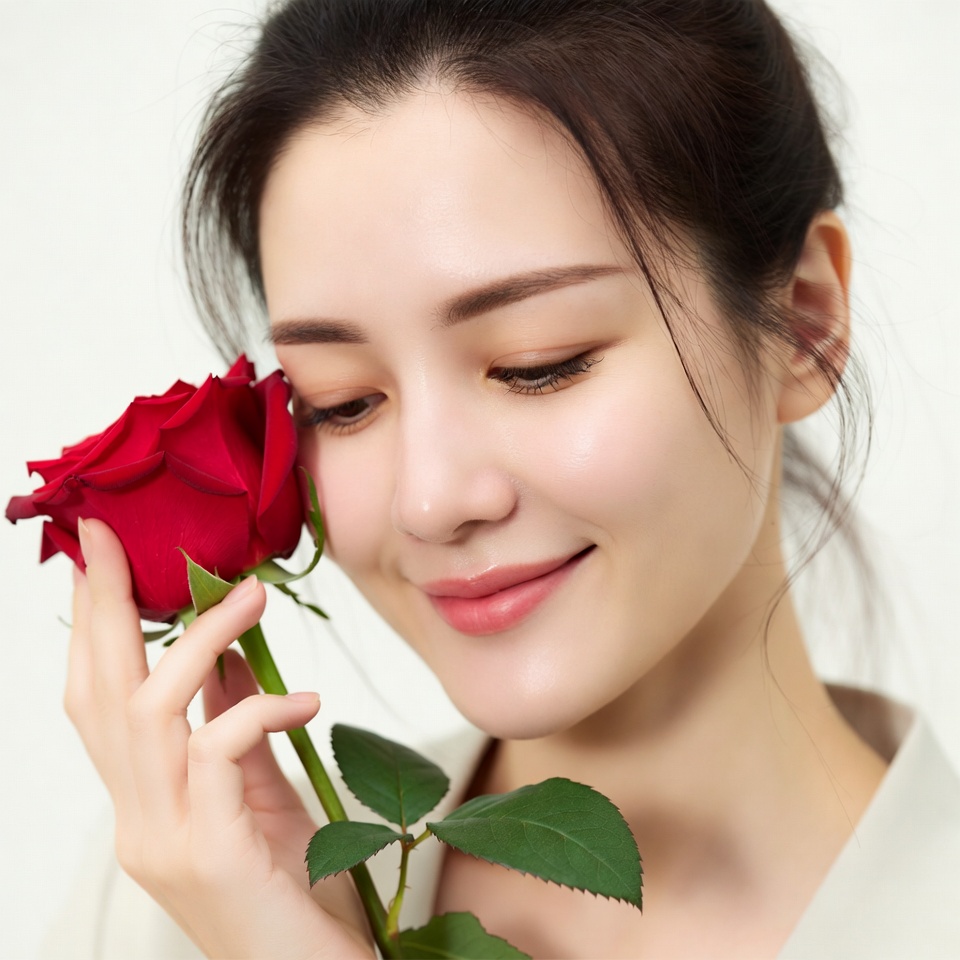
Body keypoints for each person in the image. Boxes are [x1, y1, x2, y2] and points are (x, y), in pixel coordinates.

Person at [48, 0, 960, 957]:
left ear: (804, 324)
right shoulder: (185, 901)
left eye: (539, 362)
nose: (430, 501)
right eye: (343, 401)